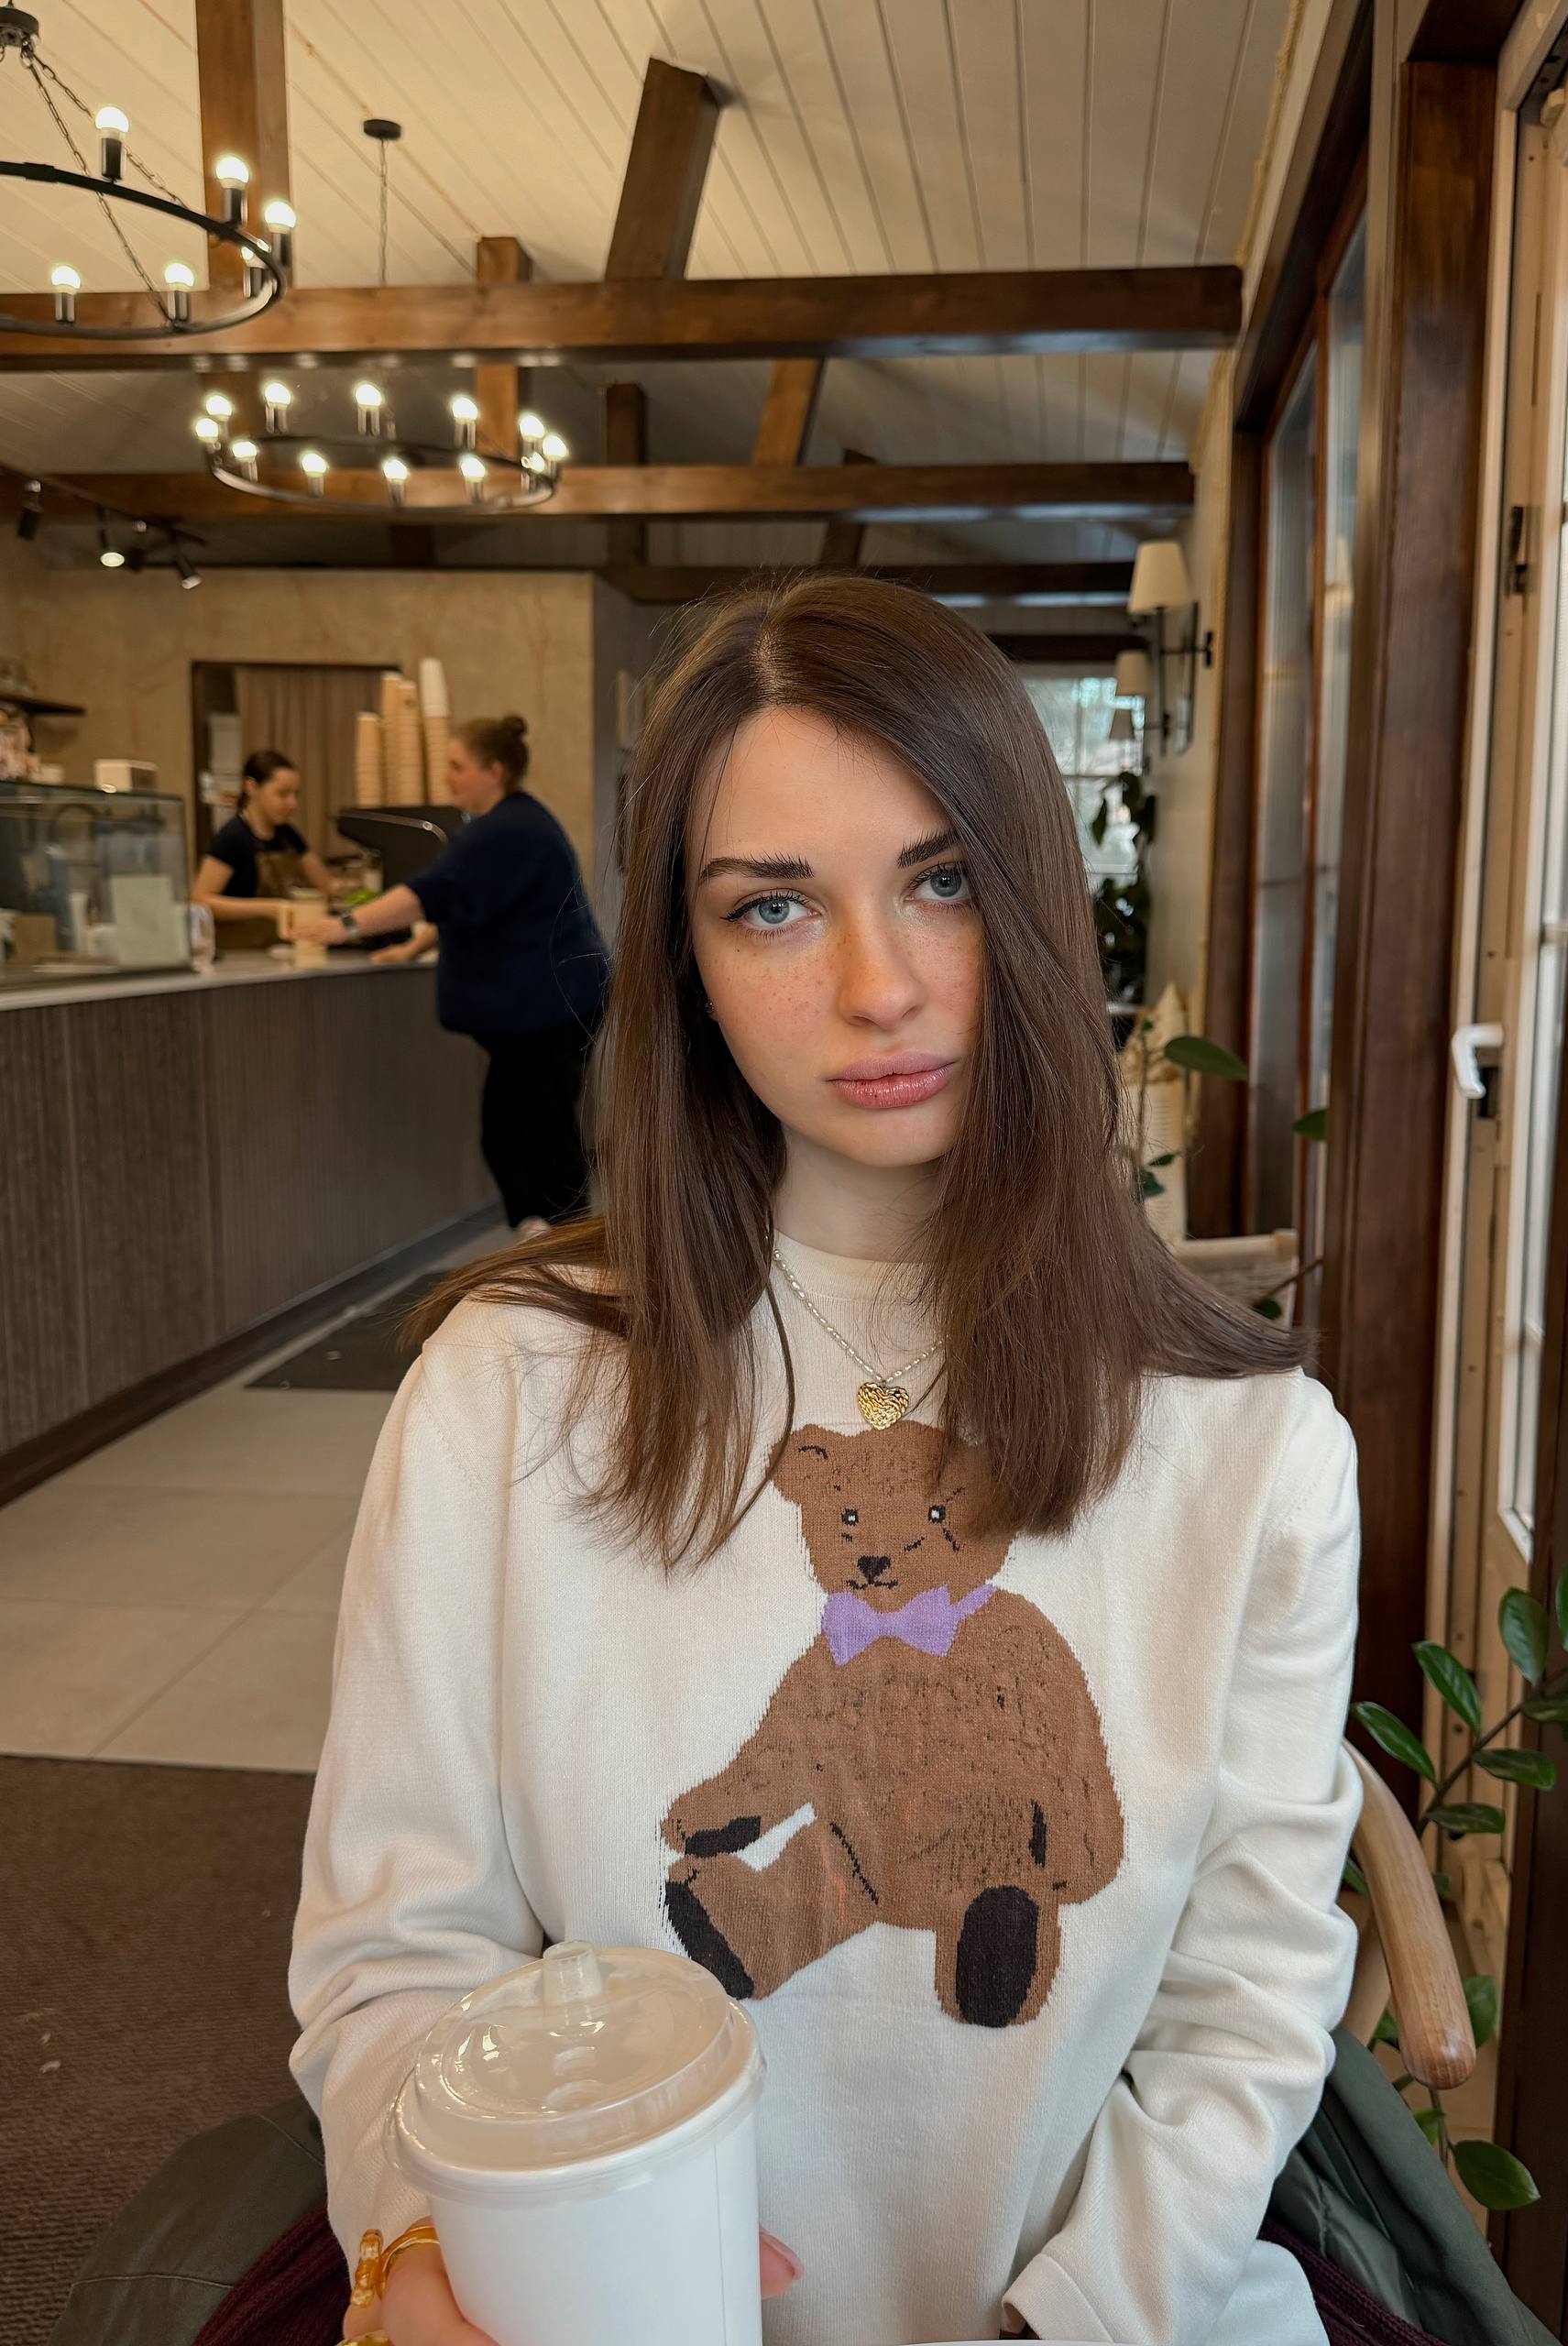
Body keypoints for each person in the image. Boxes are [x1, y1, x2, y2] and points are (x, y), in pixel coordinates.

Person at [290, 577, 1363, 2346]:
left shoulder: (1250, 1448)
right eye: (772, 906)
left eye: (944, 880)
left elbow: (1241, 2013)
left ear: (1039, 895)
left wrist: (1067, 2324)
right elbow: (400, 1947)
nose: (879, 987)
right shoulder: (506, 1391)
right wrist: (425, 2258)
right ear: (687, 965)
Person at [301, 715, 610, 1239]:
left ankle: (566, 1249)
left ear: (495, 771)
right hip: (551, 1006)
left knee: (537, 1138)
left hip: (546, 1010)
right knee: (514, 1134)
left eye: (457, 766)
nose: (448, 777)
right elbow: (472, 900)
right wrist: (414, 946)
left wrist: (342, 925)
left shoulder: (505, 829)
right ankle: (544, 1238)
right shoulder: (518, 822)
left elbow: (431, 892)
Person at [192, 750, 340, 933]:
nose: (292, 803)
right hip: (240, 947)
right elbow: (201, 900)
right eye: (283, 794)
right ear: (251, 787)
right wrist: (268, 908)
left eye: (295, 795)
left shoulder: (288, 835)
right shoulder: (233, 837)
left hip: (281, 943)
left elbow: (325, 884)